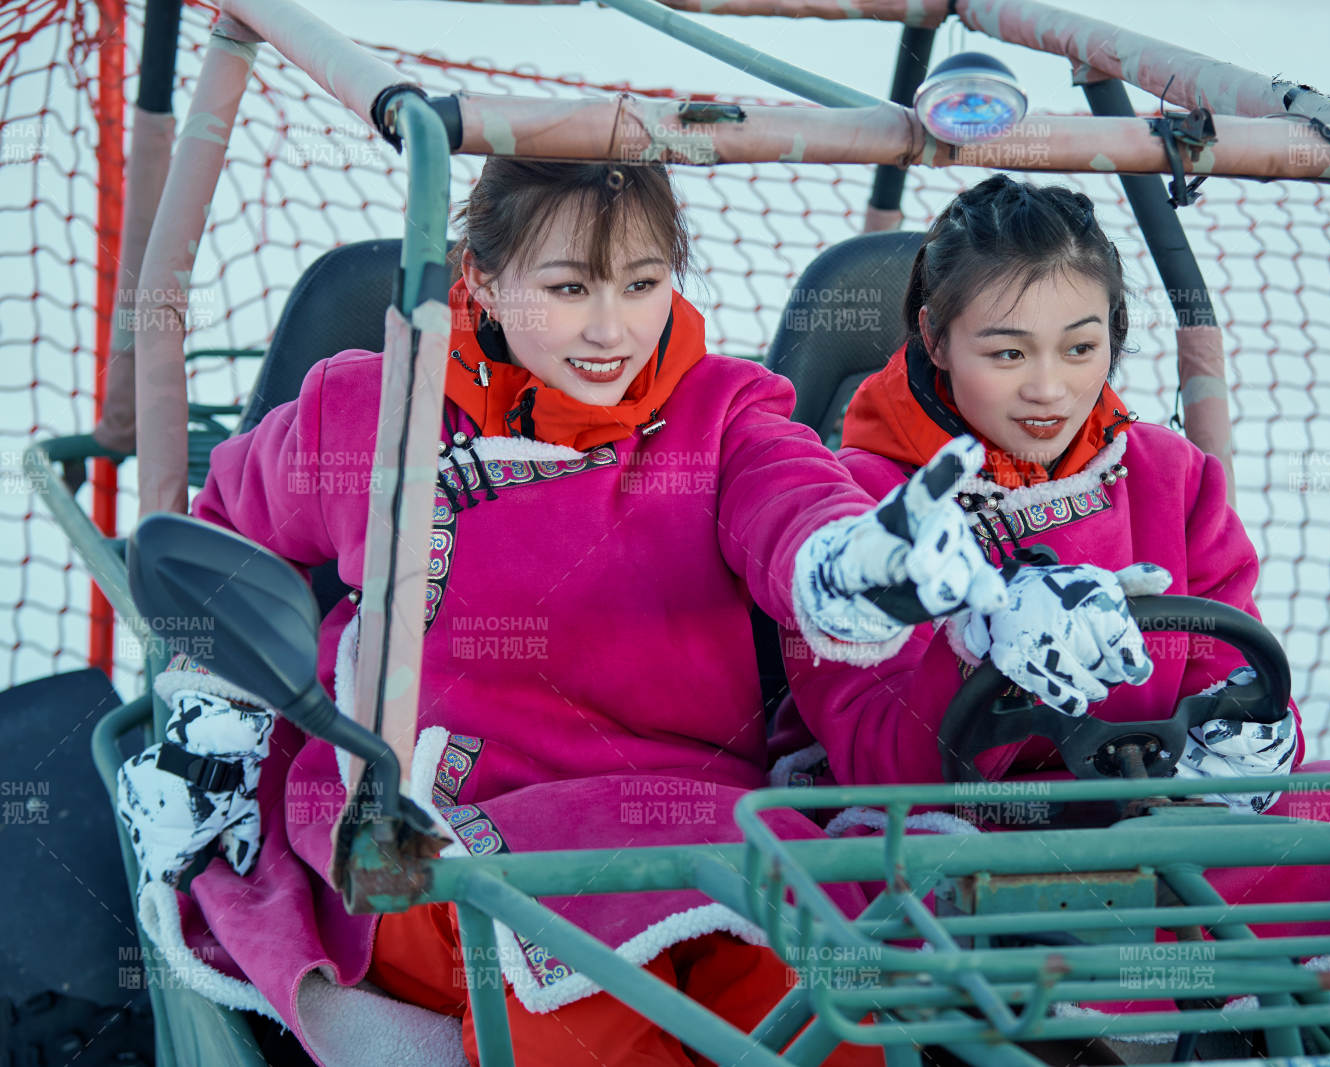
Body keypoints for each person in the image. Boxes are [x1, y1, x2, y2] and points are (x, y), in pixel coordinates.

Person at [113, 159, 1007, 1067]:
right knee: (576, 1009)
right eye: (571, 287)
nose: (612, 328)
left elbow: (796, 506)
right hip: (445, 837)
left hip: (696, 831)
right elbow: (227, 527)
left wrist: (849, 566)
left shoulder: (723, 415)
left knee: (814, 994)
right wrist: (211, 702)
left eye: (643, 283)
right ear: (483, 283)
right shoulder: (374, 413)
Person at [774, 175, 1330, 1049]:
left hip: (1149, 811)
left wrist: (1247, 738)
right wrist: (988, 651)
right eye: (1008, 353)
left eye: (1080, 348)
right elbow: (878, 752)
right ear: (936, 338)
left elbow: (1228, 660)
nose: (1049, 389)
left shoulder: (1167, 475)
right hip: (968, 835)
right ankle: (1157, 1030)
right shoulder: (864, 509)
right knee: (1073, 925)